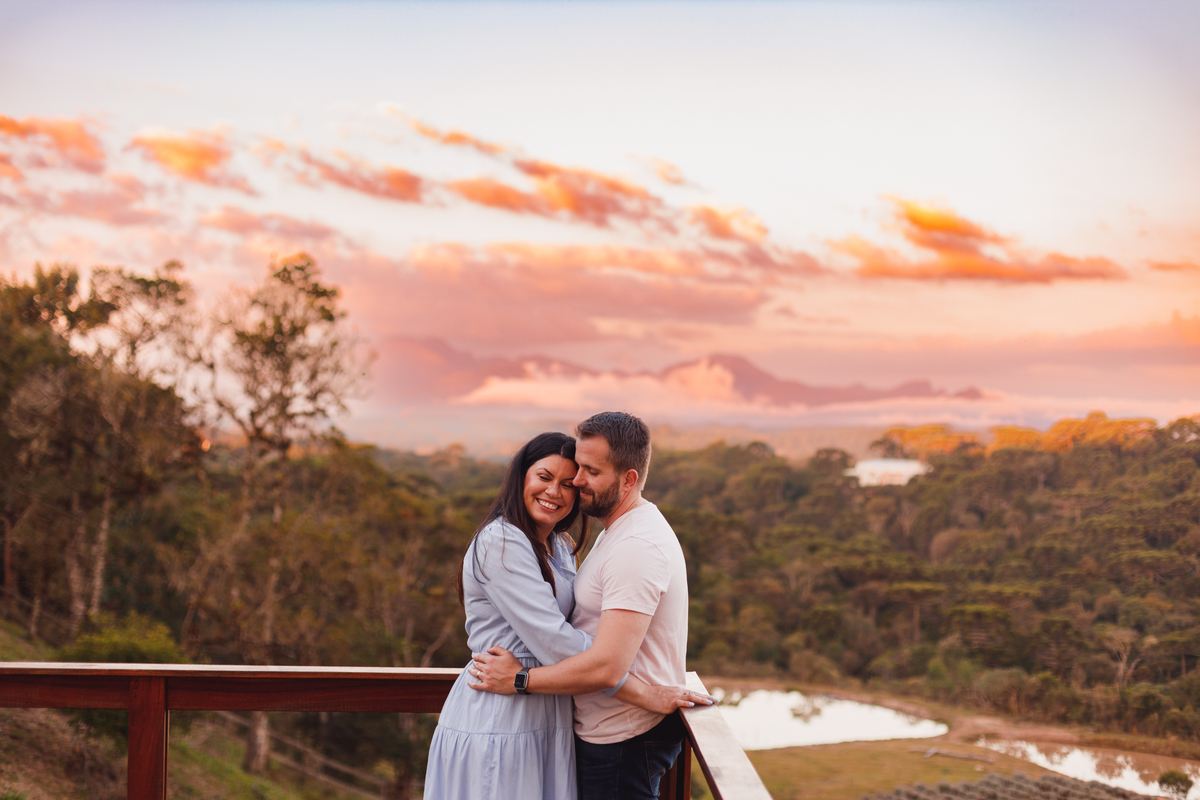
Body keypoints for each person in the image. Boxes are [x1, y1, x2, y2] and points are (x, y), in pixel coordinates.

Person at [424, 431, 702, 800]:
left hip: (549, 707)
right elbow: (556, 640)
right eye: (543, 477)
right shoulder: (501, 543)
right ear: (520, 476)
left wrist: (611, 661)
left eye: (569, 483)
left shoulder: (559, 544)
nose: (555, 492)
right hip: (504, 709)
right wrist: (641, 689)